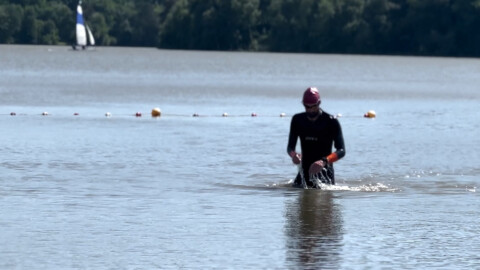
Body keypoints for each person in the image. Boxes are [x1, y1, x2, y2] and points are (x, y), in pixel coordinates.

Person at [287, 87, 346, 187]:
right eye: (307, 106)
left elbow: (341, 150)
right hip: (304, 174)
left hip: (325, 174)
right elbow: (290, 148)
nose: (310, 110)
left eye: (313, 106)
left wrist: (324, 161)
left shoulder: (331, 121)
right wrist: (294, 155)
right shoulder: (297, 120)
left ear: (319, 103)